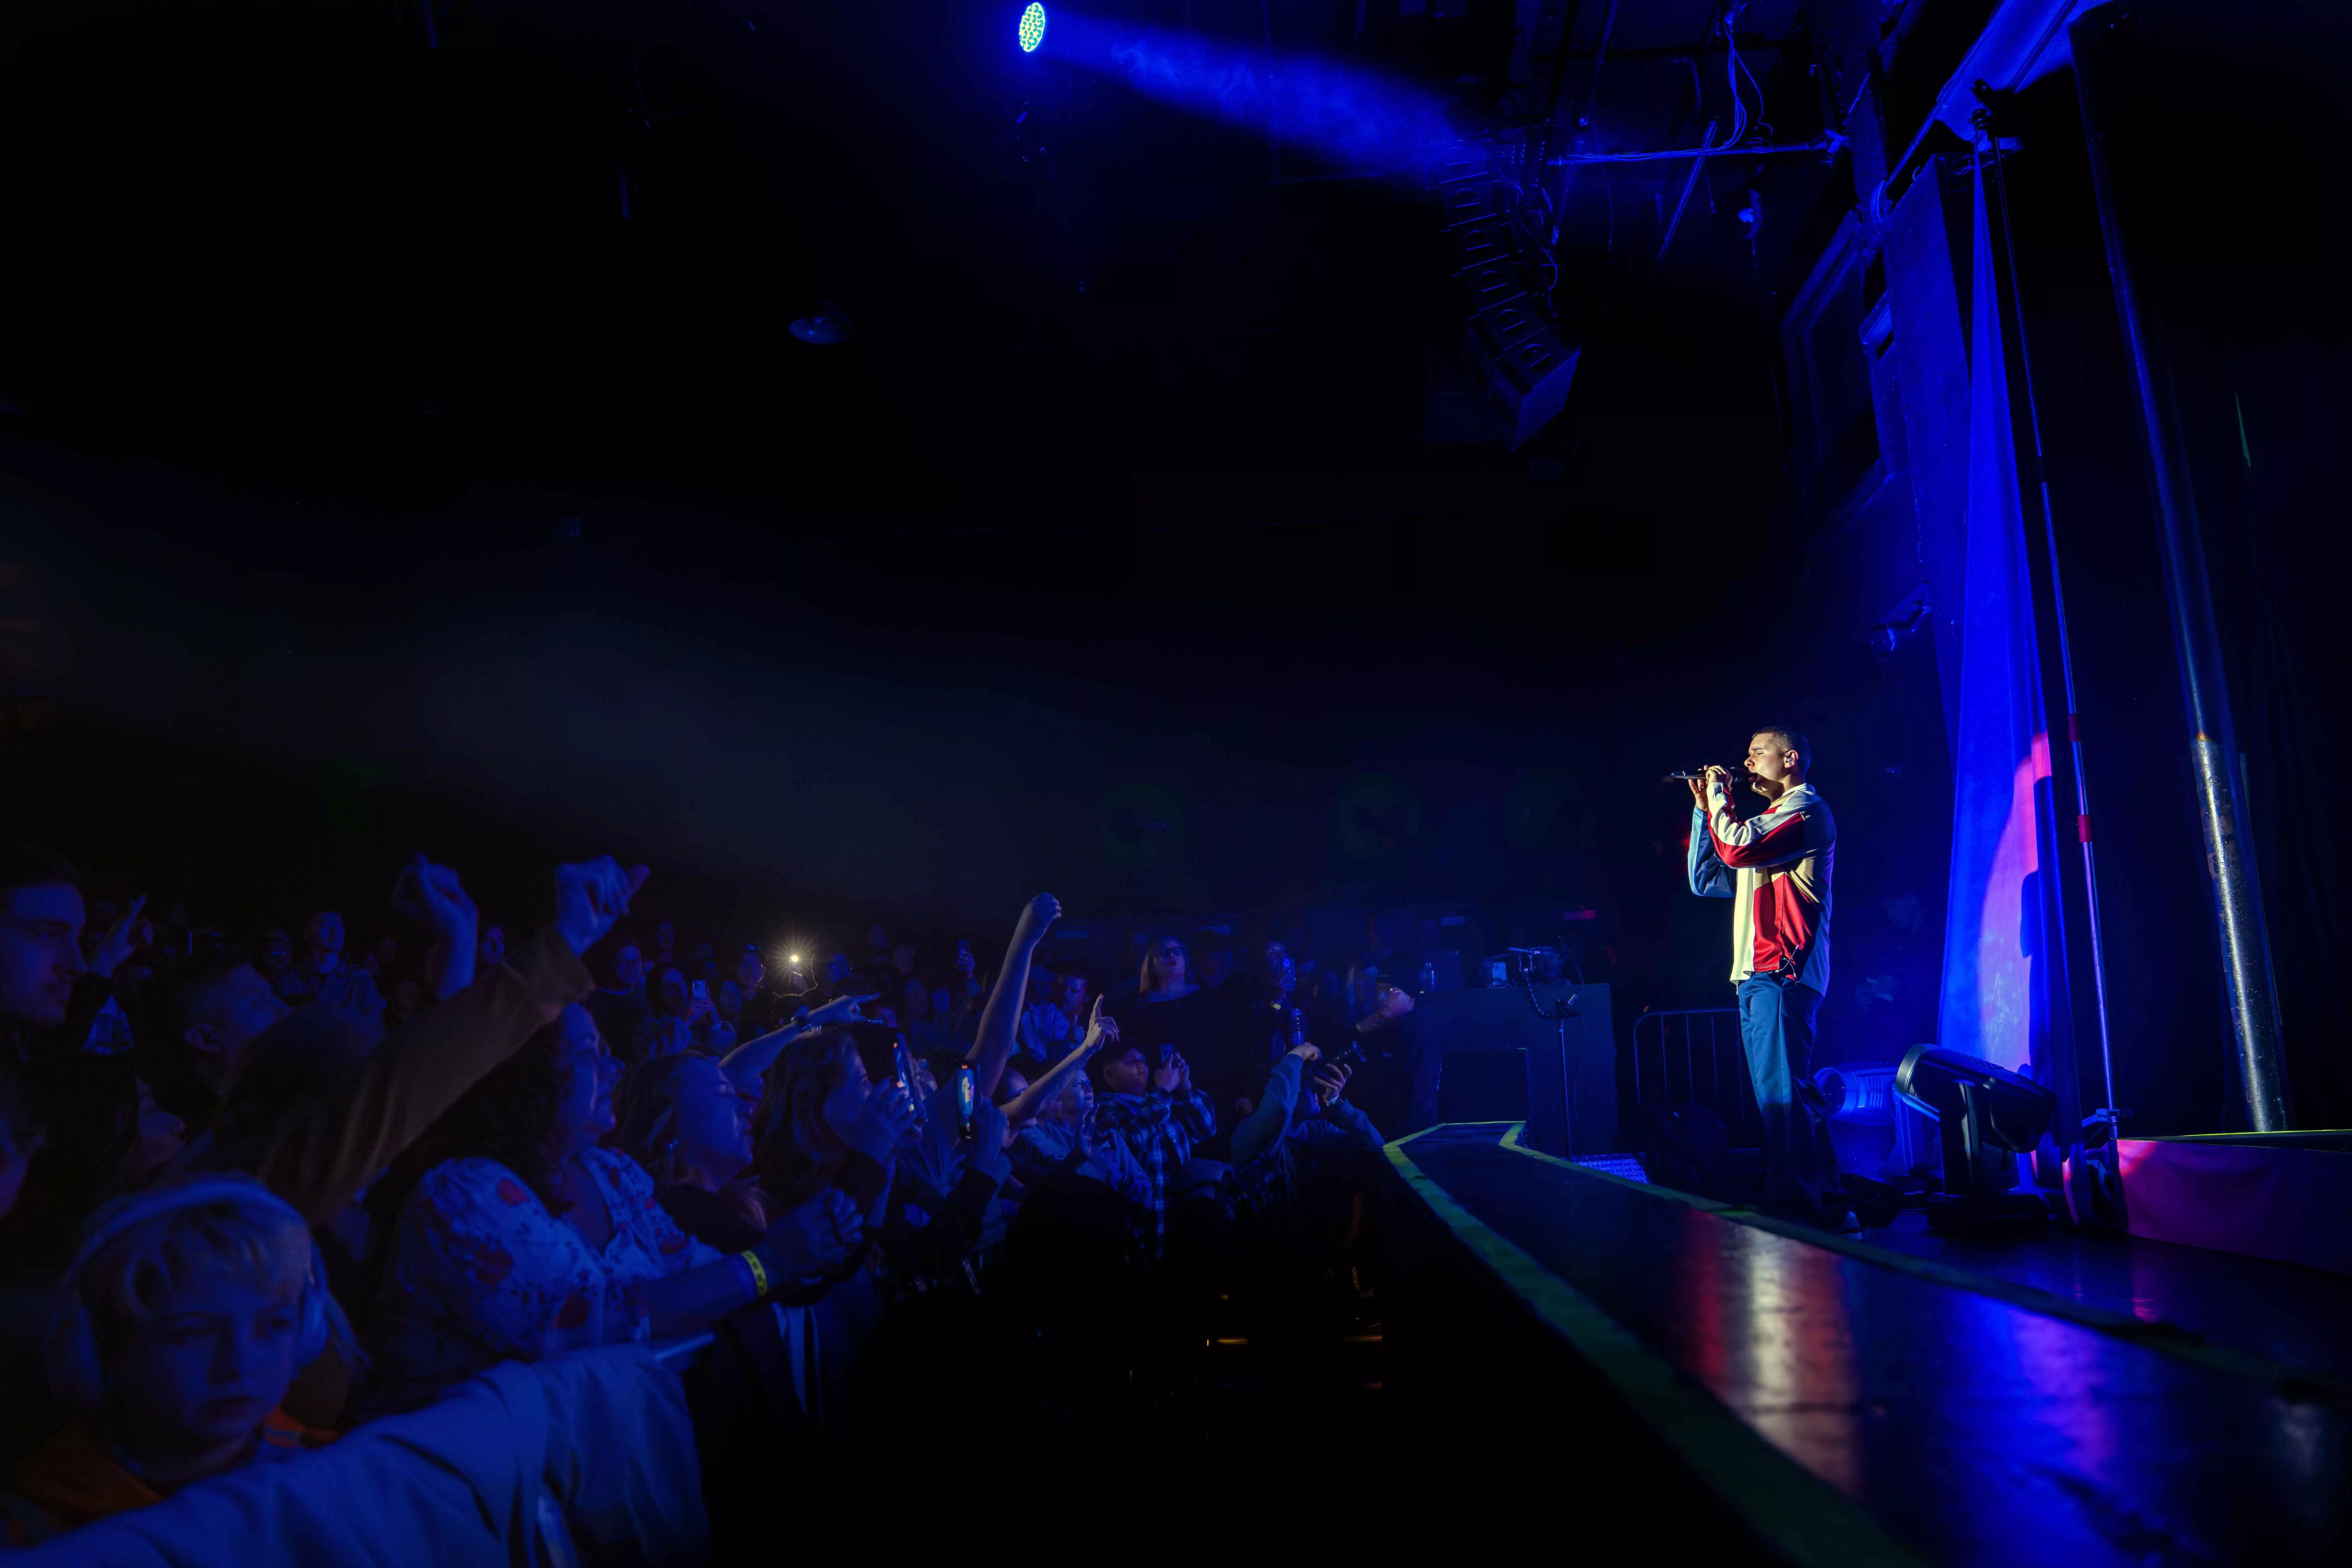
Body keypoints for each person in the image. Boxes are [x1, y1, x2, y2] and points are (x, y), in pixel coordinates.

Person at [366, 1002, 860, 1413]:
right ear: (521, 1074)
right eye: (588, 1054)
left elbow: (692, 1267)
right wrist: (771, 1262)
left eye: (607, 1053)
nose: (613, 1069)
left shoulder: (611, 1172)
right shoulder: (466, 1193)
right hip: (474, 1486)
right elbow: (592, 1322)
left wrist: (803, 1250)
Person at [1, 1177, 348, 1546]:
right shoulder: (37, 1530)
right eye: (194, 1333)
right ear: (103, 1348)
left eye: (274, 1325)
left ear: (305, 1332)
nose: (239, 1364)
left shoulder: (343, 1477)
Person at [1686, 725, 1846, 1228]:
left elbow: (1734, 850)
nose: (1748, 762)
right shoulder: (1766, 824)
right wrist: (1702, 811)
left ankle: (1798, 1206)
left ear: (1791, 758)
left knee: (1781, 1097)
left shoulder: (1805, 813)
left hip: (1783, 971)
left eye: (1758, 753)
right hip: (1758, 974)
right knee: (1785, 1094)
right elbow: (1706, 880)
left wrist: (1719, 796)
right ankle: (1830, 1204)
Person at [1088, 1040, 1214, 1258]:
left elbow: (1207, 1128)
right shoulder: (1105, 1109)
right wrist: (1163, 1090)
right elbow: (1134, 1142)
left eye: (1143, 1061)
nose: (1140, 1066)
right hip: (1145, 1230)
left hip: (1181, 1222)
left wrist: (1185, 1087)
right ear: (1109, 1075)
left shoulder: (1160, 1102)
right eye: (1130, 1062)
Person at [275, 911, 384, 1024]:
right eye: (325, 926)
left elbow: (373, 1030)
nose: (335, 932)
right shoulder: (287, 981)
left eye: (339, 926)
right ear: (307, 935)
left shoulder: (361, 985)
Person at [583, 937, 649, 1048]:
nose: (632, 968)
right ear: (610, 963)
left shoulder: (646, 991)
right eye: (625, 962)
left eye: (636, 962)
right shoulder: (594, 1002)